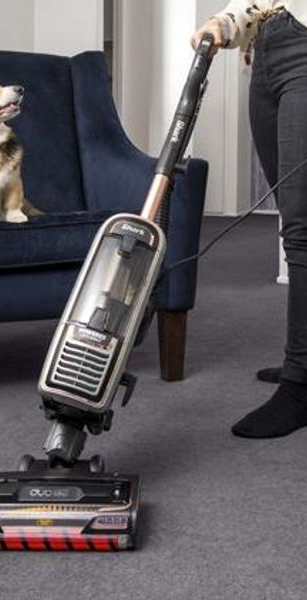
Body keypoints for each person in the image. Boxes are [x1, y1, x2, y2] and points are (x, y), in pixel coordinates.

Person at [191, 1, 307, 438]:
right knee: (293, 217)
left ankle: (301, 381)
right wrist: (226, 21)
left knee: (302, 229)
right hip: (264, 52)